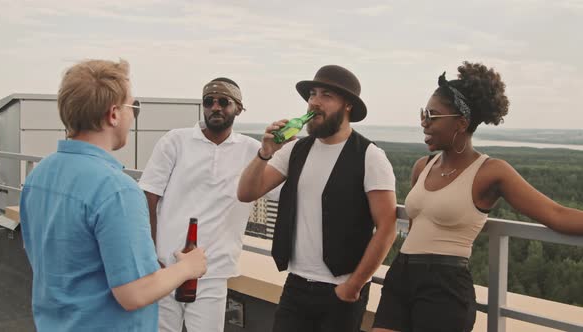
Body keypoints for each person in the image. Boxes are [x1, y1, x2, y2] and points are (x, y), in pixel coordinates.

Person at [372, 61, 583, 332]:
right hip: (401, 276)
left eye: (433, 116)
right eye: (423, 114)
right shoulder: (422, 167)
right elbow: (414, 229)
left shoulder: (490, 172)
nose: (424, 123)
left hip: (444, 286)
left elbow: (556, 214)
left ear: (461, 123)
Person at [20, 59, 207, 332]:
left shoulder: (40, 173)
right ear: (114, 114)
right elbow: (134, 293)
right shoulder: (116, 189)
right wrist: (187, 268)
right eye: (134, 107)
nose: (133, 116)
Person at [237, 65, 398, 332]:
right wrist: (264, 153)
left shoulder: (370, 156)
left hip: (341, 290)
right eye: (312, 94)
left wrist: (354, 285)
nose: (314, 102)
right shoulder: (296, 150)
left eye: (326, 95)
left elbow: (387, 227)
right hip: (296, 284)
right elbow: (246, 193)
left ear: (347, 106)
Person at [139, 77, 275, 332]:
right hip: (165, 266)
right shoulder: (175, 141)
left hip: (213, 272)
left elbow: (282, 187)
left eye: (224, 102)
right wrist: (150, 254)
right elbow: (149, 195)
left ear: (238, 108)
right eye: (208, 102)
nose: (215, 107)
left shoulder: (252, 150)